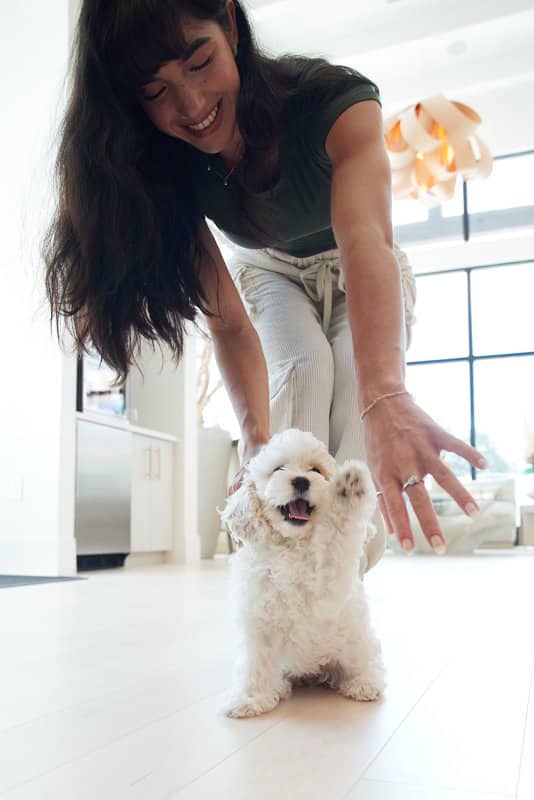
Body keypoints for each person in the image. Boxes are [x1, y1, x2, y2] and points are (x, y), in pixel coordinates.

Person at [44, 0, 487, 570]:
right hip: (270, 270)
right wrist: (255, 437)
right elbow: (227, 320)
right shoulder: (164, 169)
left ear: (230, 23)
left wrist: (387, 393)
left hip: (359, 262)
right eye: (156, 91)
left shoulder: (332, 101)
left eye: (200, 62)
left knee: (356, 383)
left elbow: (366, 242)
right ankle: (284, 586)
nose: (193, 105)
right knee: (305, 367)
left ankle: (340, 588)